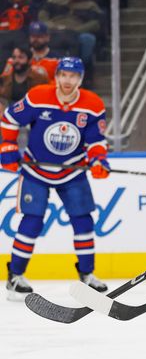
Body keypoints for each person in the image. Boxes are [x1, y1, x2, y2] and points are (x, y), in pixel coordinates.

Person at [1, 57, 109, 300]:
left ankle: (87, 275)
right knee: (32, 221)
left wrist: (99, 160)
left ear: (80, 79)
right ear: (57, 76)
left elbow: (96, 140)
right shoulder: (38, 96)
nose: (67, 80)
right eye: (63, 75)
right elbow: (9, 117)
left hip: (72, 170)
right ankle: (15, 277)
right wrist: (7, 146)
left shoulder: (92, 105)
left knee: (83, 221)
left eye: (73, 76)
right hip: (35, 169)